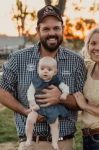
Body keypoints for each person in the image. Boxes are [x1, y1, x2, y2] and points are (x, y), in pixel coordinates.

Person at [0, 5, 87, 150]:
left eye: (56, 28)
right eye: (46, 29)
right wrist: (26, 111)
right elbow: (2, 91)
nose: (51, 33)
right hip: (31, 144)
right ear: (38, 31)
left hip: (63, 143)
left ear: (63, 29)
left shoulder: (76, 61)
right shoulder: (18, 58)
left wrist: (61, 98)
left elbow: (84, 101)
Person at [26, 56, 70, 150]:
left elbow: (66, 87)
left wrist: (64, 94)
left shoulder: (56, 80)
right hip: (37, 107)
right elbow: (30, 92)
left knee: (55, 124)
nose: (45, 71)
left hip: (52, 107)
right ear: (38, 70)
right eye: (42, 69)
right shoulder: (35, 81)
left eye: (49, 69)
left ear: (55, 71)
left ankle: (54, 142)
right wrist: (32, 103)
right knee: (30, 120)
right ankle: (28, 138)